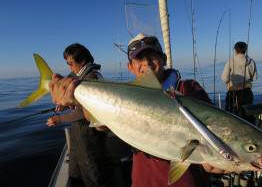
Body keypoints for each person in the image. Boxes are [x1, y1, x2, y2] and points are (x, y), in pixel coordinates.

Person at [48, 34, 227, 187]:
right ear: (130, 67)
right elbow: (102, 124)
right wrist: (78, 101)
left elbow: (212, 136)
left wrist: (214, 162)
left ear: (164, 59)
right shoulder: (122, 96)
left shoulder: (189, 90)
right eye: (139, 59)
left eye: (153, 56)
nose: (147, 63)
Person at [47, 43, 131, 187]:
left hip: (90, 138)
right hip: (77, 137)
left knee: (93, 176)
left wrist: (59, 119)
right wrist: (63, 103)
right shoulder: (78, 76)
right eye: (67, 63)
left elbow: (82, 112)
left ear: (83, 60)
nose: (69, 67)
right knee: (75, 174)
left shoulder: (92, 77)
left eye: (71, 63)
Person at [221, 41, 257, 123]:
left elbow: (224, 78)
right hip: (247, 93)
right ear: (246, 50)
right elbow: (254, 78)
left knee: (232, 116)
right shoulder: (251, 61)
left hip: (233, 93)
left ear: (235, 50)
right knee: (248, 116)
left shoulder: (231, 61)